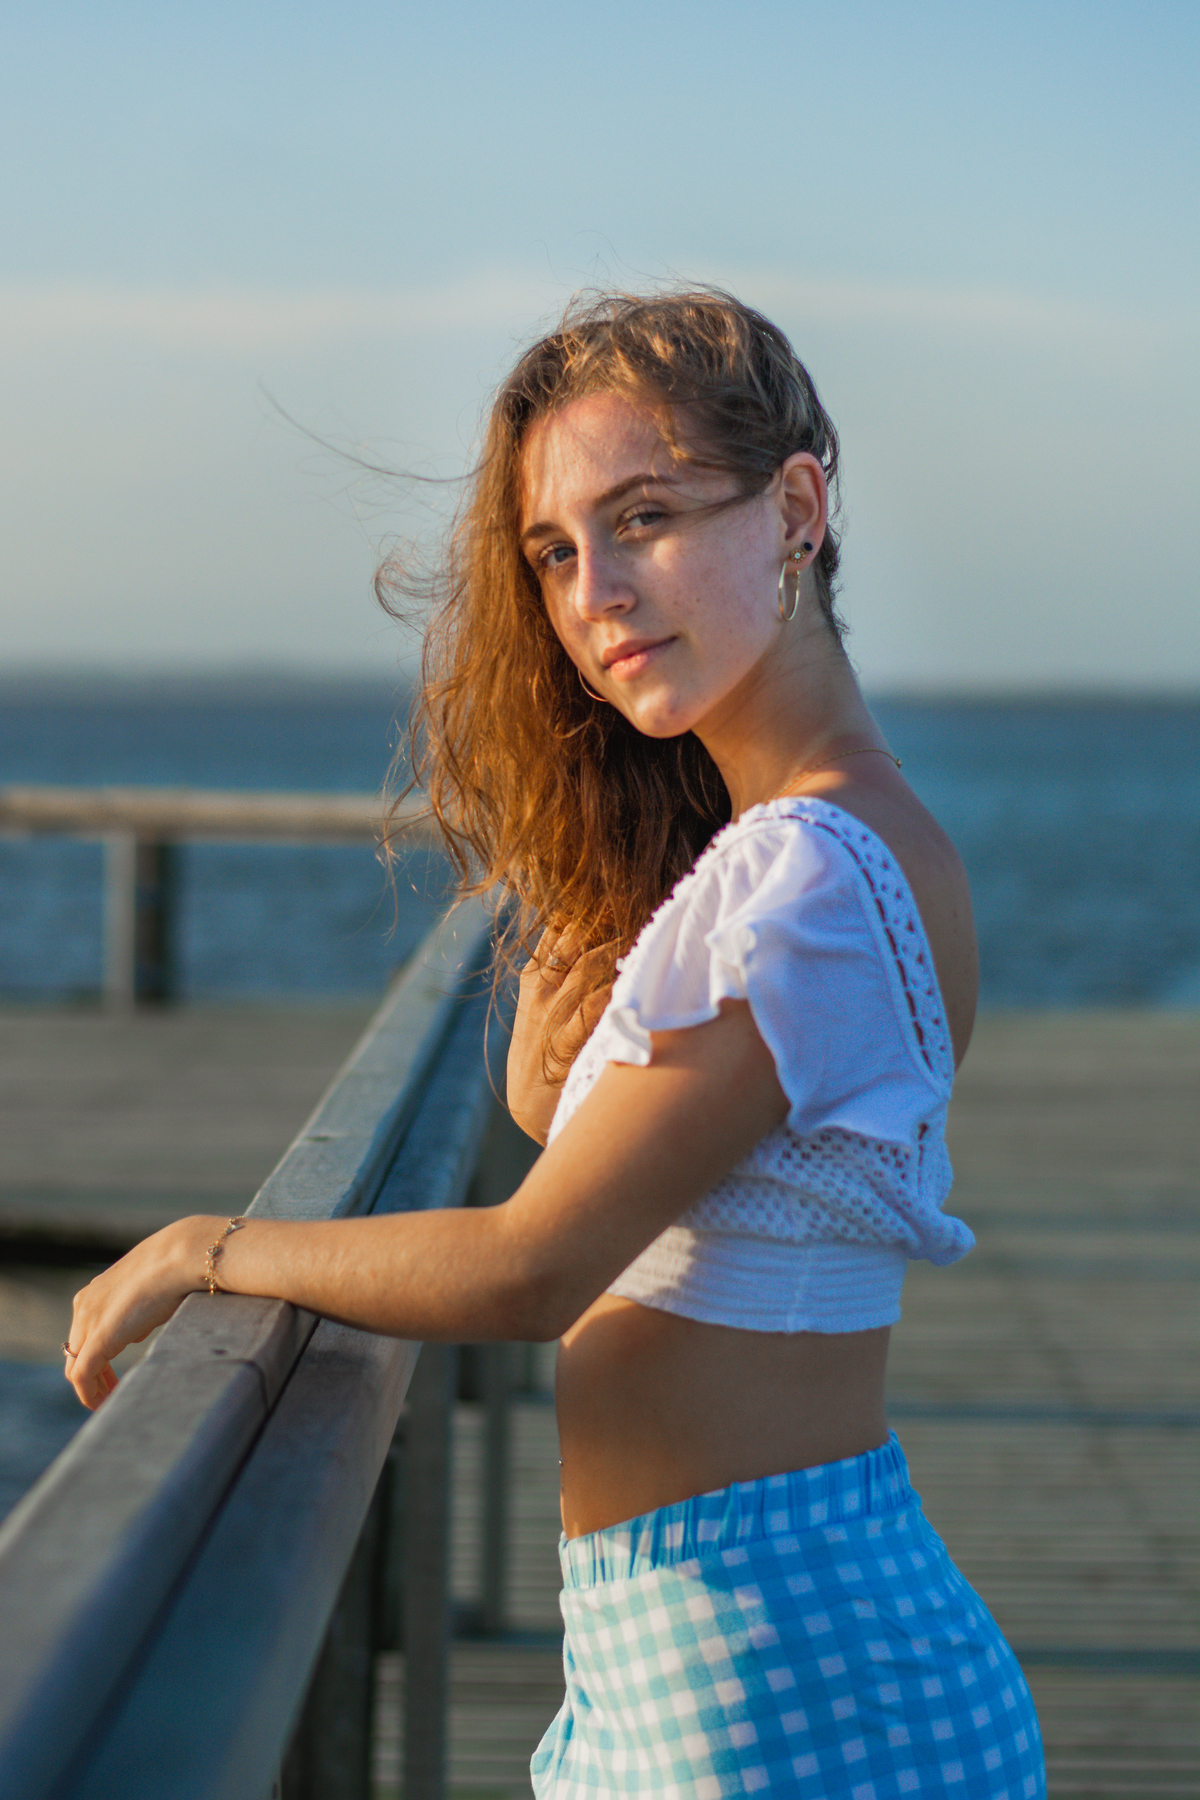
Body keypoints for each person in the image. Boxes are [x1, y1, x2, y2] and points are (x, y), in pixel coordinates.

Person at [64, 290, 1046, 1798]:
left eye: (643, 516)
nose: (594, 590)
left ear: (796, 507)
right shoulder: (832, 843)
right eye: (552, 551)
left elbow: (534, 1269)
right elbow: (626, 1151)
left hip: (779, 1678)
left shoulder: (812, 876)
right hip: (713, 1644)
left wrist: (207, 1250)